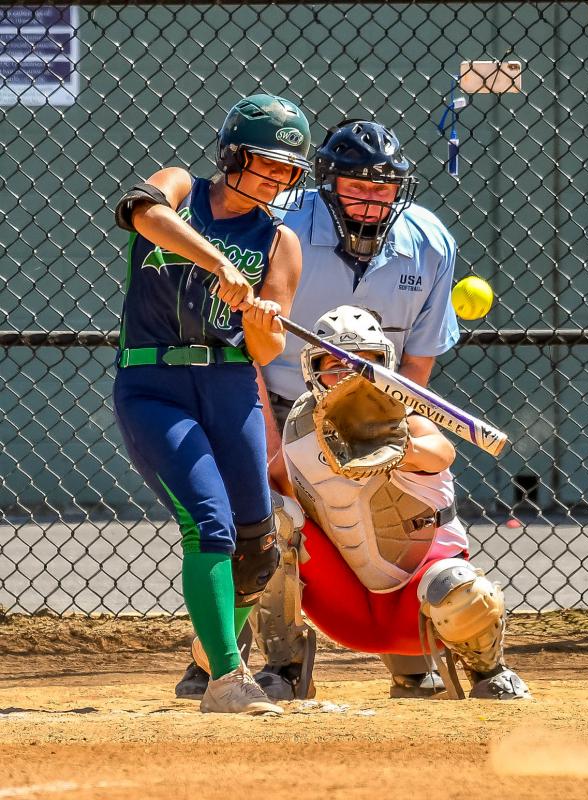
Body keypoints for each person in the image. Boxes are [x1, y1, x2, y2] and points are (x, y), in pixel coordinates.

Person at [175, 118, 461, 700]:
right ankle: (242, 658)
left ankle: (407, 652)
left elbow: (417, 362)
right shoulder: (282, 226)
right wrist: (270, 443)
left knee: (384, 512)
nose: (371, 198)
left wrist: (392, 426)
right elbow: (246, 346)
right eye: (356, 185)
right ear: (327, 185)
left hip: (373, 413)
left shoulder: (429, 241)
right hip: (276, 399)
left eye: (383, 186)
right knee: (260, 521)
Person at [113, 93, 311, 715]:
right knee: (209, 522)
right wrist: (219, 261)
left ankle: (211, 641)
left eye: (288, 170)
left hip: (229, 385)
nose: (277, 179)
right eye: (267, 163)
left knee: (258, 545)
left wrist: (261, 317)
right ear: (232, 156)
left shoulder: (280, 241)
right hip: (154, 383)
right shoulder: (182, 189)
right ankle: (227, 678)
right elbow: (142, 212)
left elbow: (266, 347)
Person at [230, 307, 528, 701]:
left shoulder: (406, 415)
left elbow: (442, 453)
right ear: (312, 370)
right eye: (335, 366)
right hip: (348, 606)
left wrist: (400, 449)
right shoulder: (303, 425)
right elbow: (274, 485)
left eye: (363, 364)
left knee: (459, 585)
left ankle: (489, 670)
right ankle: (283, 667)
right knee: (267, 516)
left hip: (421, 608)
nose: (349, 376)